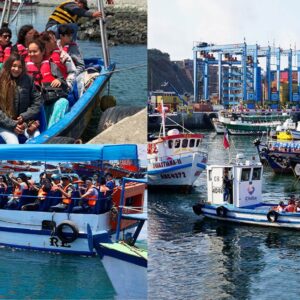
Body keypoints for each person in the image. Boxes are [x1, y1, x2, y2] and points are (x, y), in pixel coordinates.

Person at [26, 39, 69, 129]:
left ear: (42, 52)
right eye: (30, 52)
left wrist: (59, 81)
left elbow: (64, 82)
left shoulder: (51, 65)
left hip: (49, 101)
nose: (32, 54)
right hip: (33, 104)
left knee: (63, 102)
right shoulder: (24, 67)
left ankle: (51, 132)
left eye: (35, 51)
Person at [0, 53, 42, 144]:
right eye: (14, 66)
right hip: (4, 124)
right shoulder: (1, 80)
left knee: (37, 138)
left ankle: (31, 159)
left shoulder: (28, 80)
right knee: (13, 142)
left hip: (25, 121)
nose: (16, 69)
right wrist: (12, 124)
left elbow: (37, 101)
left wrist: (24, 116)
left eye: (20, 67)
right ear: (8, 65)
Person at [57, 25, 86, 97]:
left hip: (71, 74)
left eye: (71, 35)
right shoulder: (55, 45)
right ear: (61, 36)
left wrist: (72, 76)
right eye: (68, 36)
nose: (71, 37)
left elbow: (81, 65)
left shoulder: (74, 47)